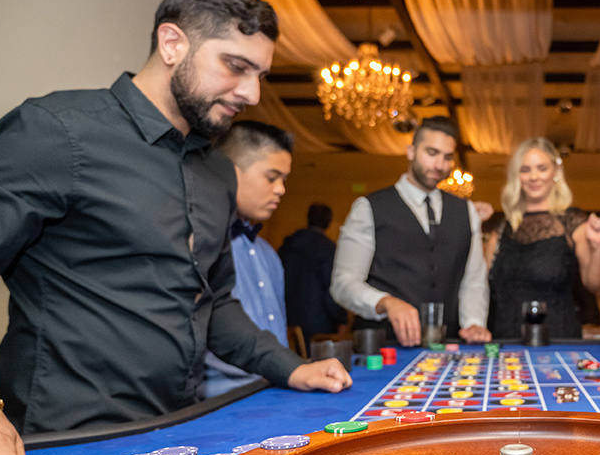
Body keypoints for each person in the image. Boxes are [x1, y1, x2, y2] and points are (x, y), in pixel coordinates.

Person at [0, 0, 352, 455]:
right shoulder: (56, 132)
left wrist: (289, 366)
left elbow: (214, 300)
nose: (252, 93)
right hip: (65, 444)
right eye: (236, 66)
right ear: (173, 43)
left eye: (261, 75)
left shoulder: (217, 173)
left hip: (178, 433)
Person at [331, 116, 491, 347]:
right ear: (411, 151)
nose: (440, 165)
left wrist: (474, 322)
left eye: (447, 157)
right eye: (432, 153)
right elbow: (343, 283)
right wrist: (385, 301)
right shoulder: (369, 207)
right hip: (382, 347)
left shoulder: (465, 210)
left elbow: (473, 280)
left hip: (446, 348)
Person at [201, 121, 296, 398]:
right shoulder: (202, 247)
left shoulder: (267, 253)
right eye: (271, 177)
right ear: (229, 171)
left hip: (272, 391)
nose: (281, 189)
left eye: (284, 180)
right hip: (219, 400)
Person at [484, 138, 600, 339]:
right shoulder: (500, 229)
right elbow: (481, 287)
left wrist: (597, 247)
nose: (534, 176)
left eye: (542, 168)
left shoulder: (573, 222)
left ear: (555, 172)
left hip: (557, 341)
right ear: (516, 176)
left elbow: (597, 285)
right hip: (505, 341)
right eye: (525, 169)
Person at [279, 203, 348, 353]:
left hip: (287, 318)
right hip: (319, 324)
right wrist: (341, 319)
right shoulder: (327, 249)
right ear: (329, 222)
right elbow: (332, 289)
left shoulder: (287, 246)